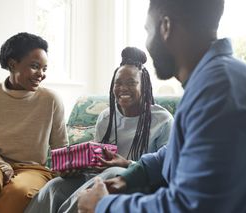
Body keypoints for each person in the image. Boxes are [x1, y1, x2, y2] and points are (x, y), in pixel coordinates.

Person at [77, 0, 246, 212]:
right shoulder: (211, 81)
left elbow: (190, 207)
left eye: (147, 30)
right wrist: (127, 179)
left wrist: (103, 206)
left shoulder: (223, 94)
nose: (147, 42)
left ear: (165, 27)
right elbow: (173, 153)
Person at [24, 47, 174, 213]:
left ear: (144, 86)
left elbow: (167, 168)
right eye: (118, 83)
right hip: (102, 176)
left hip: (137, 183)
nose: (123, 88)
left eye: (131, 83)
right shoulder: (106, 117)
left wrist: (126, 164)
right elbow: (96, 161)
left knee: (113, 172)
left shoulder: (162, 119)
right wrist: (75, 168)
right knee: (56, 186)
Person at [0, 32, 68, 213]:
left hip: (32, 169)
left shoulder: (51, 99)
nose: (41, 74)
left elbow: (60, 146)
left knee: (20, 191)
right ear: (12, 64)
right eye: (35, 66)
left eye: (44, 68)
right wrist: (3, 166)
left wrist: (68, 169)